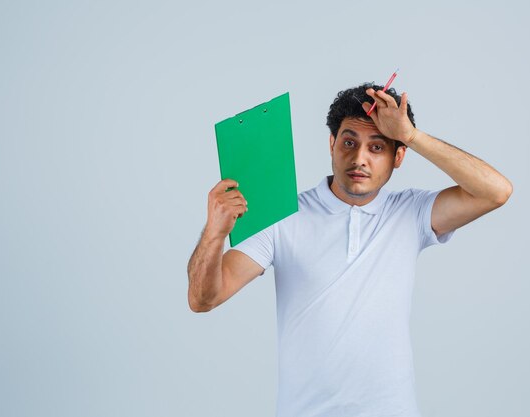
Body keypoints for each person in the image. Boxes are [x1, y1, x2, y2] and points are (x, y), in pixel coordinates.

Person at [187, 83, 513, 417]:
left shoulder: (411, 212)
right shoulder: (282, 218)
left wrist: (412, 136)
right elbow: (203, 298)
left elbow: (495, 192)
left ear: (398, 157)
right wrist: (214, 232)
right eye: (349, 142)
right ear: (331, 144)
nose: (359, 159)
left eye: (377, 147)